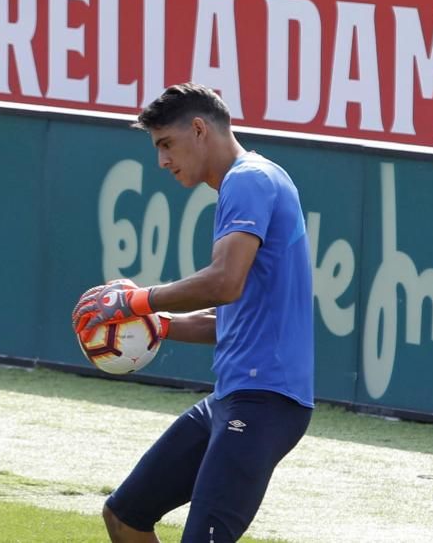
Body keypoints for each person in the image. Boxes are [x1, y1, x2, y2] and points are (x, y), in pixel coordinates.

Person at [74, 82, 313, 542]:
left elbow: (224, 282)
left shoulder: (249, 180)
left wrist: (134, 301)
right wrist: (153, 325)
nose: (161, 161)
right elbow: (227, 320)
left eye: (166, 144)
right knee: (124, 516)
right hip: (232, 397)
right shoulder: (248, 182)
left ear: (199, 129)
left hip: (265, 402)